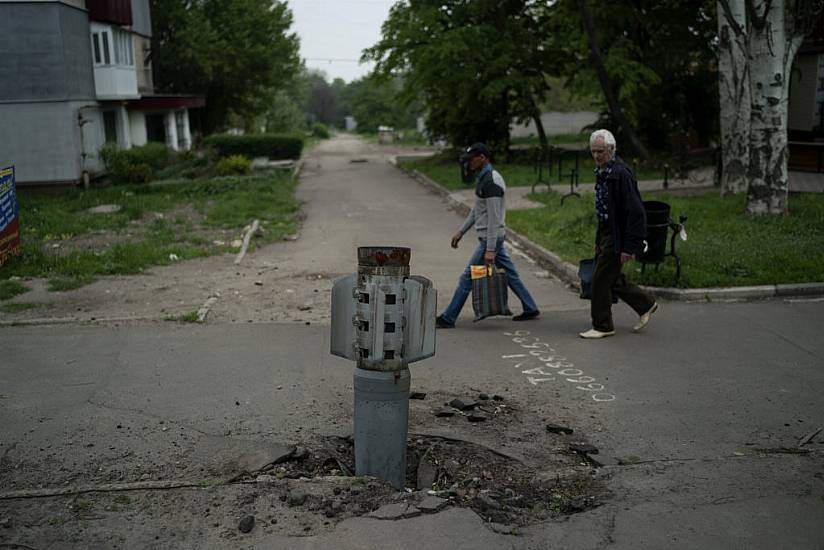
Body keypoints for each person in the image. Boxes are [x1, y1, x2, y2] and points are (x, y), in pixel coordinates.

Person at [436, 143, 540, 328]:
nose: (469, 163)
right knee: (510, 274)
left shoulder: (492, 181)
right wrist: (461, 231)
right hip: (491, 237)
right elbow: (477, 210)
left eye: (472, 159)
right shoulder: (483, 178)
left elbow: (494, 218)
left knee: (467, 278)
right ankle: (530, 307)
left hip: (491, 238)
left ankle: (448, 318)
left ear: (482, 158)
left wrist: (490, 249)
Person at [580, 129, 658, 339]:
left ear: (612, 150)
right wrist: (598, 239)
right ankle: (646, 304)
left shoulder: (620, 174)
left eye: (601, 151)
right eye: (594, 151)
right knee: (611, 278)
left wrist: (629, 246)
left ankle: (603, 326)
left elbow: (636, 212)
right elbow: (604, 211)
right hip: (607, 233)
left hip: (619, 236)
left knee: (600, 280)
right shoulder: (604, 171)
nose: (596, 155)